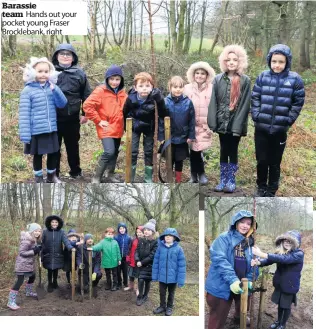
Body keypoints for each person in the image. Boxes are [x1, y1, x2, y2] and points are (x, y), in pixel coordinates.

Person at [251, 44, 305, 196]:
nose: (277, 65)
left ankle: (271, 189)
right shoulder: (263, 77)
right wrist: (256, 115)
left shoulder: (295, 80)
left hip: (280, 130)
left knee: (274, 162)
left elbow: (298, 102)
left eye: (281, 62)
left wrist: (289, 120)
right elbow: (255, 96)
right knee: (262, 160)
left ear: (287, 62)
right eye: (274, 61)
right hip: (261, 128)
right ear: (269, 61)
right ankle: (261, 186)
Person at [208, 45, 251, 193]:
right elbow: (213, 101)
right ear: (224, 61)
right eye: (228, 60)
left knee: (233, 150)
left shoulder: (245, 80)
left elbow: (245, 104)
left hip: (235, 122)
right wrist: (213, 121)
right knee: (223, 150)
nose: (231, 62)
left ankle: (231, 180)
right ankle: (223, 179)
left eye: (235, 59)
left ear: (240, 61)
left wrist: (237, 126)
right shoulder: (218, 79)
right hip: (222, 122)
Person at [205, 210, 258, 329]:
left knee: (243, 306)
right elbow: (219, 259)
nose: (245, 226)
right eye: (242, 222)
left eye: (248, 223)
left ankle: (238, 318)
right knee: (218, 315)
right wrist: (233, 279)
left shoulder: (251, 243)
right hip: (222, 283)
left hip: (241, 283)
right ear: (236, 223)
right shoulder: (224, 238)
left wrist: (249, 279)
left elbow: (254, 264)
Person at [19, 57, 68, 183]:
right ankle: (39, 178)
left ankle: (52, 177)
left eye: (46, 72)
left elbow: (62, 103)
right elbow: (24, 114)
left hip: (51, 128)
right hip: (36, 130)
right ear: (33, 72)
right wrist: (25, 134)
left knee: (53, 153)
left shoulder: (51, 88)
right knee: (38, 155)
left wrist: (55, 89)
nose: (43, 74)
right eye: (40, 71)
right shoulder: (28, 90)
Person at [52, 43, 91, 179]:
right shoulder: (49, 72)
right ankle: (54, 174)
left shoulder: (79, 73)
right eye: (62, 53)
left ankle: (75, 172)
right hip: (53, 117)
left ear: (73, 58)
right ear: (56, 56)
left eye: (68, 54)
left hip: (72, 118)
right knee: (54, 147)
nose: (65, 56)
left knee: (73, 146)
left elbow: (86, 95)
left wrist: (85, 114)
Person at [83, 65, 127, 183]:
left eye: (117, 79)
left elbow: (127, 108)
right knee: (109, 151)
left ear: (121, 80)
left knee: (115, 151)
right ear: (107, 79)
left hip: (118, 126)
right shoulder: (100, 91)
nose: (114, 82)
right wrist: (98, 120)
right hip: (106, 126)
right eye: (111, 79)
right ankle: (96, 177)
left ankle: (110, 175)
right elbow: (87, 106)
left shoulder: (122, 92)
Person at [252, 230, 304, 329]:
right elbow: (271, 259)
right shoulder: (281, 252)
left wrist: (262, 254)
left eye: (290, 241)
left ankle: (282, 324)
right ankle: (278, 321)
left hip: (290, 285)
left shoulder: (298, 254)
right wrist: (259, 262)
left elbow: (284, 259)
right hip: (280, 284)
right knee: (280, 304)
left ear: (295, 243)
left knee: (286, 306)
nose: (287, 243)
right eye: (285, 240)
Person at [123, 72, 168, 182]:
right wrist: (126, 127)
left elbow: (163, 113)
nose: (144, 89)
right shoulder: (130, 98)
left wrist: (160, 100)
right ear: (135, 87)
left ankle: (148, 178)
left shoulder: (155, 98)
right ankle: (131, 177)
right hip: (134, 127)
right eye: (141, 86)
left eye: (147, 86)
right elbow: (124, 112)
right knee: (133, 151)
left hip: (150, 128)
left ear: (152, 86)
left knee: (149, 151)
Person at [183, 62, 215, 184]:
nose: (200, 76)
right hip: (190, 125)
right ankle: (193, 175)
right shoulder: (187, 88)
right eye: (197, 73)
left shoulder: (211, 89)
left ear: (207, 75)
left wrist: (211, 124)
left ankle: (201, 174)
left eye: (202, 73)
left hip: (204, 125)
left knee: (199, 150)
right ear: (193, 74)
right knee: (193, 150)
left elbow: (214, 107)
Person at [160, 76, 195, 183]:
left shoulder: (188, 102)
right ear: (170, 87)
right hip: (169, 137)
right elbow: (161, 119)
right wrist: (161, 136)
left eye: (180, 87)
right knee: (169, 159)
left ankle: (178, 180)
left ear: (183, 88)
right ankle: (169, 180)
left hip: (182, 137)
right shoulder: (165, 101)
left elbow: (192, 120)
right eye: (175, 87)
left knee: (179, 160)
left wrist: (191, 135)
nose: (178, 89)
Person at [7, 223, 42, 310]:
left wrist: (38, 249)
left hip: (29, 264)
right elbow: (22, 253)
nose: (38, 233)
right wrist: (33, 251)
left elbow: (33, 249)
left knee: (33, 276)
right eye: (36, 231)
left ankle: (28, 292)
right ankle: (10, 302)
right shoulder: (26, 240)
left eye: (39, 231)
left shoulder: (34, 239)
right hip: (22, 264)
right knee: (19, 281)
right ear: (32, 231)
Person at [152, 228, 186, 316]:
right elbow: (156, 262)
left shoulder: (179, 249)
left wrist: (180, 280)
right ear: (163, 237)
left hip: (173, 278)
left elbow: (181, 266)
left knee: (171, 293)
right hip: (162, 277)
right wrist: (155, 276)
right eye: (166, 236)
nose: (168, 237)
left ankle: (169, 307)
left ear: (174, 238)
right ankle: (162, 306)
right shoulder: (160, 248)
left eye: (170, 236)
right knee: (162, 292)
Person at [41, 215, 75, 292]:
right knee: (49, 269)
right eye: (53, 222)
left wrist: (70, 247)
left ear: (58, 223)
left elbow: (66, 241)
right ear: (50, 223)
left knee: (55, 269)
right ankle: (50, 283)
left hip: (58, 254)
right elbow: (41, 242)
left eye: (56, 222)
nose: (54, 224)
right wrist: (40, 248)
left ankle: (55, 282)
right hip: (48, 254)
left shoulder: (61, 232)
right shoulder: (45, 231)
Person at [135, 219, 158, 305]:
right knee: (140, 280)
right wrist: (137, 260)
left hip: (149, 266)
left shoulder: (155, 242)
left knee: (147, 281)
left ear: (152, 232)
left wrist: (142, 262)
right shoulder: (141, 240)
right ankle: (140, 296)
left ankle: (145, 295)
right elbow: (136, 251)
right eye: (145, 230)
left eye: (148, 230)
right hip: (140, 265)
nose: (146, 231)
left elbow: (152, 256)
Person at [125, 225, 144, 293]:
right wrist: (128, 257)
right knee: (131, 275)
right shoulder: (133, 240)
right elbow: (129, 249)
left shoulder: (145, 241)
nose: (138, 233)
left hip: (139, 262)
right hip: (132, 261)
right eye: (137, 232)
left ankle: (138, 289)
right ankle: (131, 286)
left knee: (139, 276)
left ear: (143, 232)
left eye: (140, 232)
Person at [114, 222, 131, 289]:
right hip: (118, 257)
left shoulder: (129, 237)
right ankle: (119, 283)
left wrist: (128, 255)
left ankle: (125, 282)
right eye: (120, 228)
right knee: (118, 270)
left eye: (123, 228)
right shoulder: (116, 237)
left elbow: (130, 247)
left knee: (125, 271)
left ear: (125, 229)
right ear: (118, 229)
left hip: (125, 257)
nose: (122, 230)